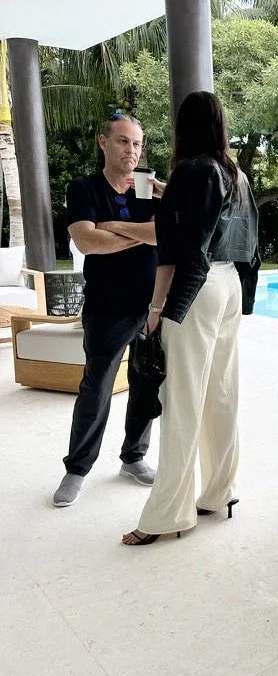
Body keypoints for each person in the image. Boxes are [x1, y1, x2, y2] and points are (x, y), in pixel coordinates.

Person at [122, 91, 260, 546]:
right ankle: (219, 493)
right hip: (228, 286)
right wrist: (170, 196)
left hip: (194, 288)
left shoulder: (191, 171)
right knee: (221, 391)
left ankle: (167, 514)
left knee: (181, 398)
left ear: (184, 126)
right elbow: (226, 232)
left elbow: (177, 250)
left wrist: (156, 309)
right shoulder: (233, 173)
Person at [52, 114, 163, 507]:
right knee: (96, 388)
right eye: (122, 142)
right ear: (103, 141)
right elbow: (87, 242)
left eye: (136, 144)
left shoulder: (148, 188)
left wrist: (114, 227)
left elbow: (165, 233)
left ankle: (133, 457)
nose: (131, 151)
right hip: (107, 308)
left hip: (151, 306)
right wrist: (141, 236)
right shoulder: (83, 187)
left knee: (146, 383)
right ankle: (77, 469)